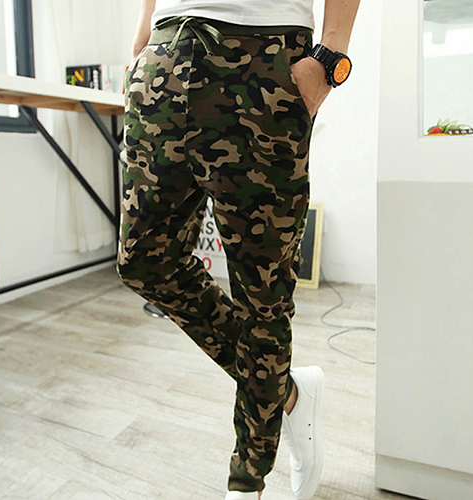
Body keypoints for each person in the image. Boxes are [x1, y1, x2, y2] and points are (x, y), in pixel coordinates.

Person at [116, 1, 360, 498]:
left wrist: (330, 57)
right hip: (163, 58)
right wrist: (141, 43)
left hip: (262, 58)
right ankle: (286, 393)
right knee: (143, 262)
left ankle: (247, 482)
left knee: (263, 295)